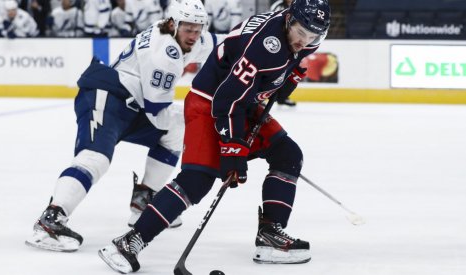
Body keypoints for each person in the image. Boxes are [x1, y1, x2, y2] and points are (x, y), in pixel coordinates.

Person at [97, 0, 331, 273]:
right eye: (301, 33)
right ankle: (130, 241)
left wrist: (287, 78)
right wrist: (233, 149)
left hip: (243, 102)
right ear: (289, 19)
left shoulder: (306, 33)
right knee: (198, 179)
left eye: (313, 36)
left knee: (287, 154)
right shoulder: (265, 45)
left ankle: (270, 235)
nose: (306, 41)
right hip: (210, 103)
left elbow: (289, 63)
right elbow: (227, 99)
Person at [25, 0, 224, 252]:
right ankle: (50, 221)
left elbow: (224, 42)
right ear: (174, 24)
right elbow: (155, 110)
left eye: (198, 29)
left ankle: (144, 202)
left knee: (175, 128)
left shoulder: (179, 32)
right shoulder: (165, 54)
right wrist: (201, 122)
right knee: (95, 159)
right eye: (189, 29)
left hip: (132, 105)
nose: (194, 36)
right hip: (106, 96)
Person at [269, 0, 298, 107]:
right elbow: (272, 22)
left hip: (291, 43)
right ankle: (260, 96)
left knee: (288, 71)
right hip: (278, 42)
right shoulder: (277, 6)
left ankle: (282, 97)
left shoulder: (300, 5)